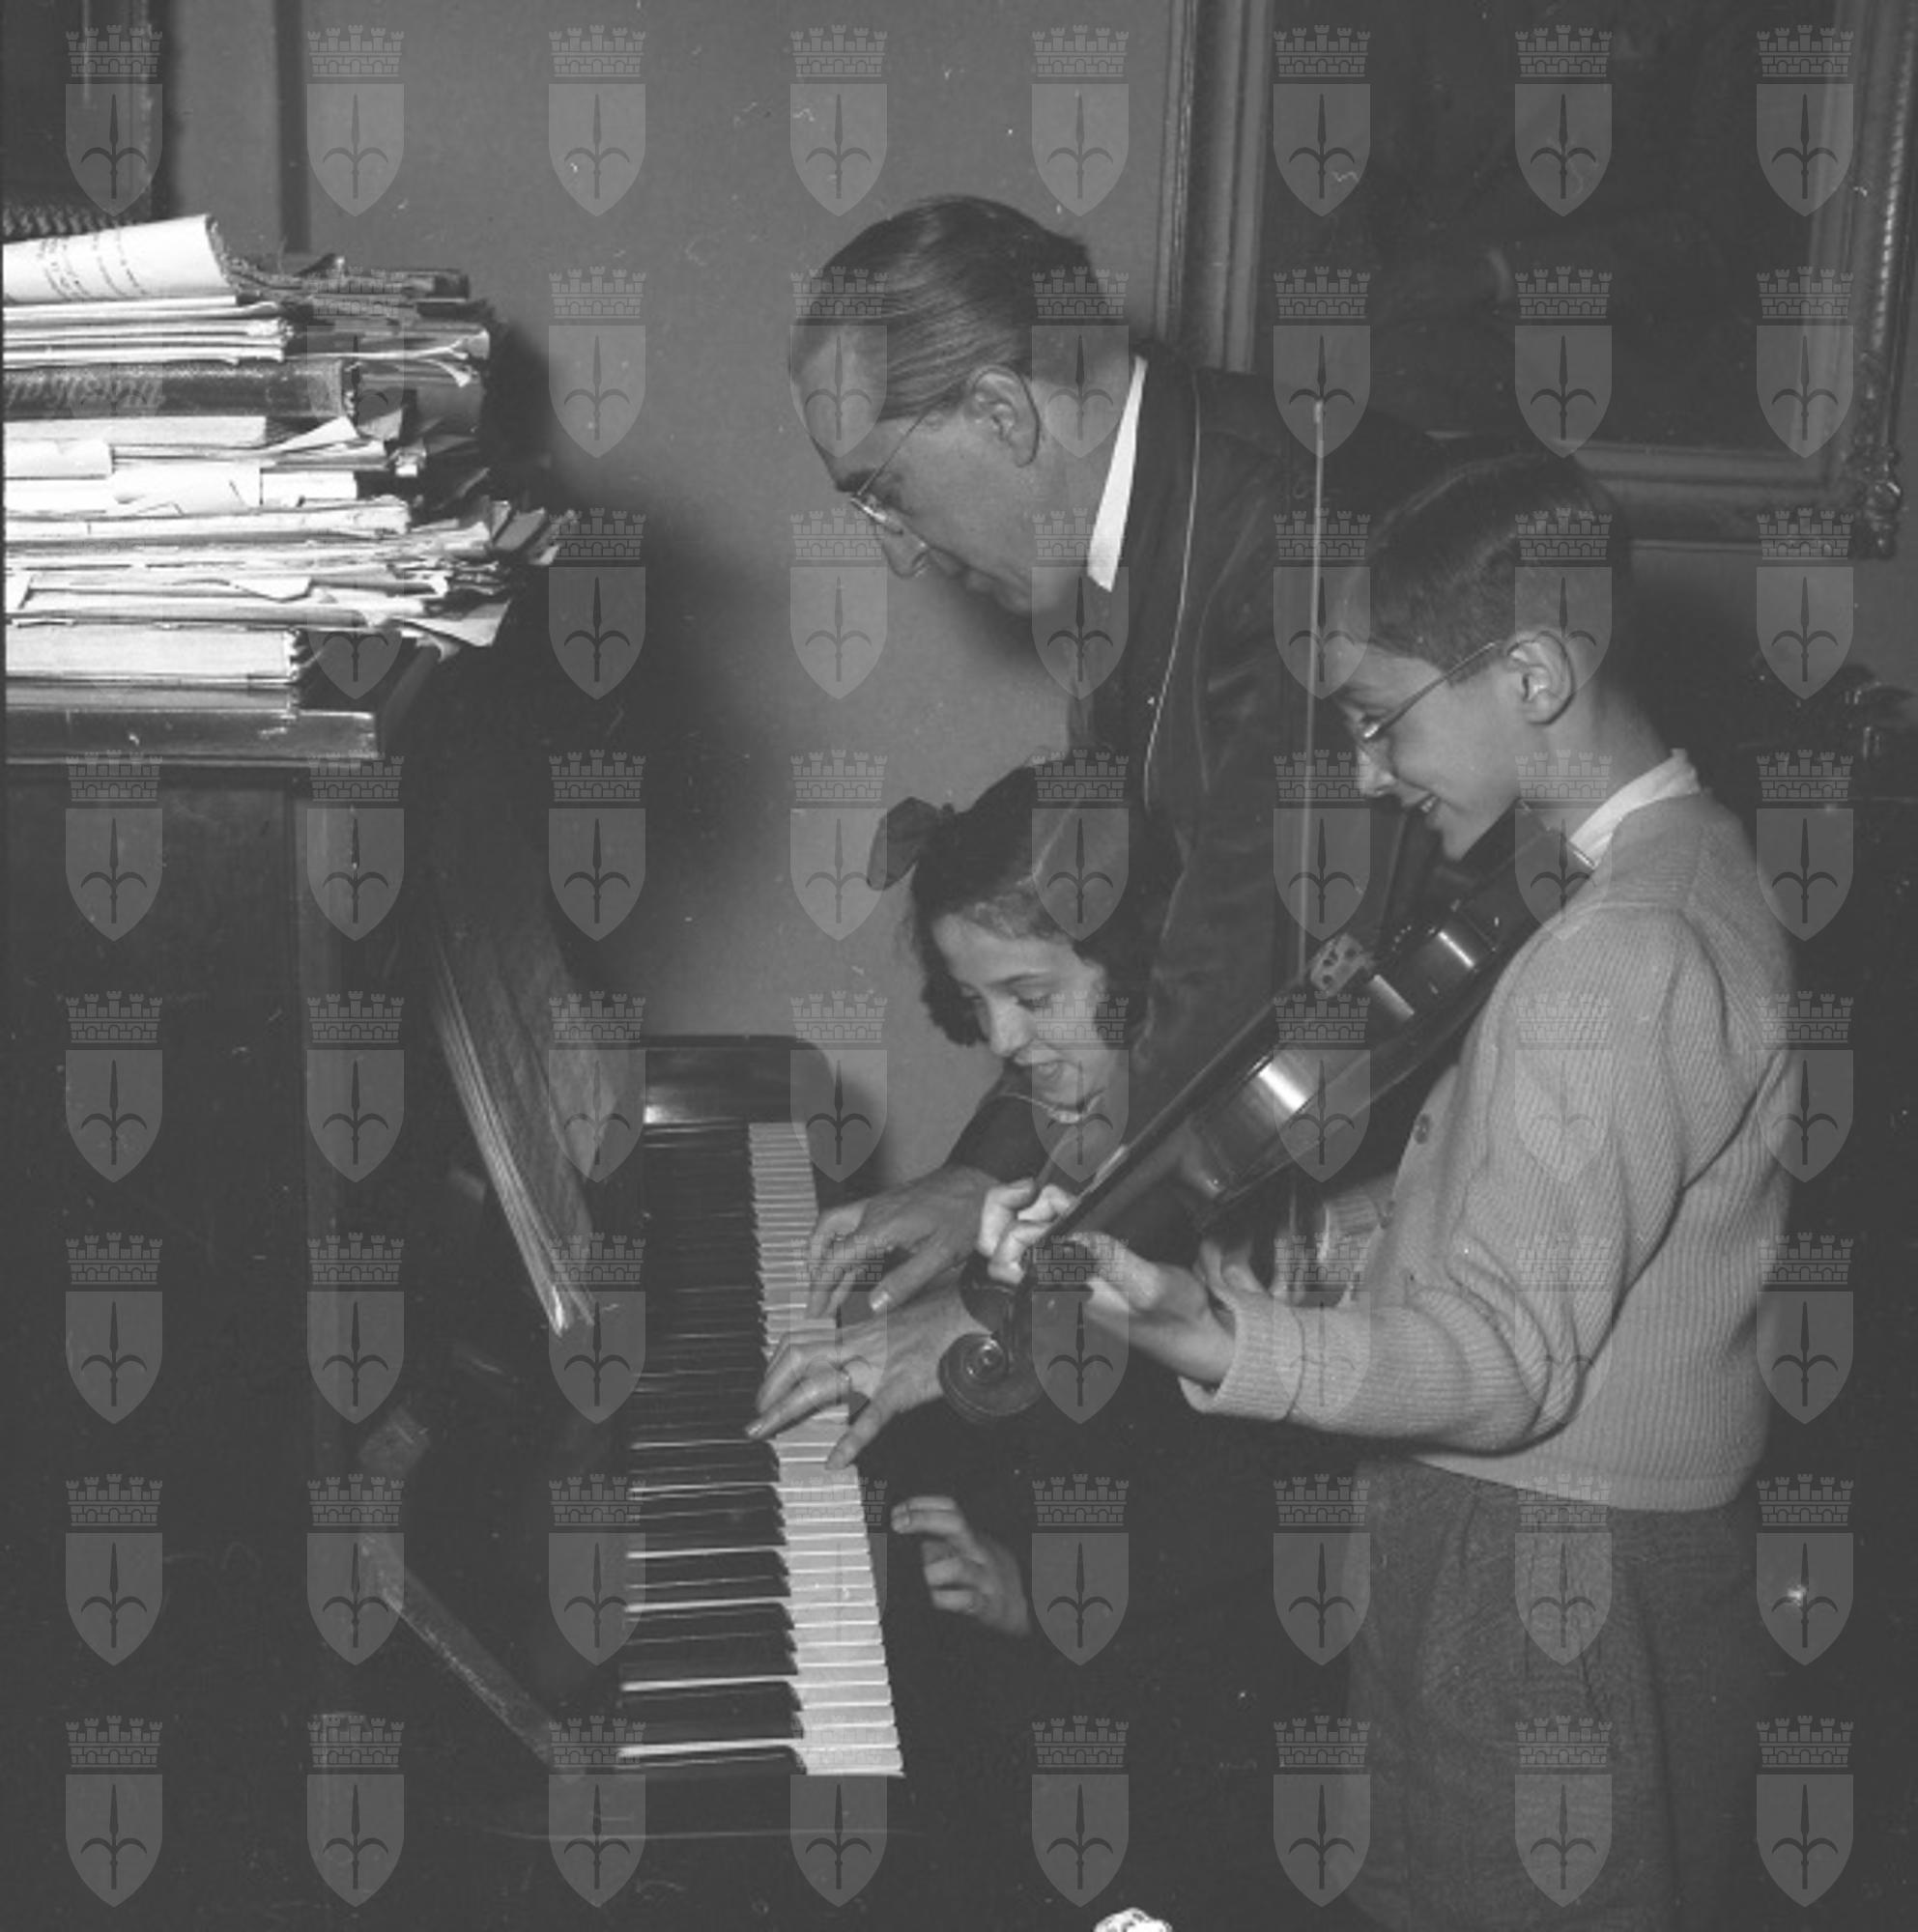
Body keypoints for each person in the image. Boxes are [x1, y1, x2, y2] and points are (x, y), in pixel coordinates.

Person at [983, 452, 1793, 1929]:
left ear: (1532, 673)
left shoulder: (1617, 952)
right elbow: (1507, 1216)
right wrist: (1243, 1264)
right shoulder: (1662, 874)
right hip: (1539, 1546)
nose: (1365, 771)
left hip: (1542, 1574)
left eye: (1377, 718)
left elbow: (1504, 1358)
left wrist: (1215, 1338)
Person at [789, 195, 1445, 1322]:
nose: (899, 555)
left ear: (999, 411)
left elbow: (1240, 980)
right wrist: (980, 1175)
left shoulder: (1296, 524)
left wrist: (988, 1318)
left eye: (882, 494)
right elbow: (1121, 929)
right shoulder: (1137, 522)